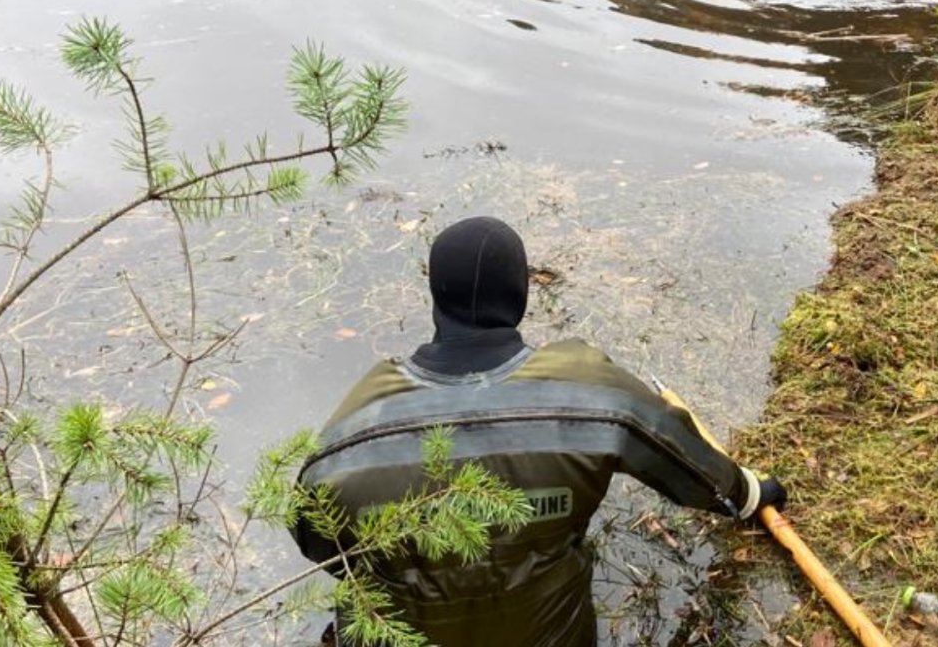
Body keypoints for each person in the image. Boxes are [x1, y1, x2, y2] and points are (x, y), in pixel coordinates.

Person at [292, 216, 787, 647]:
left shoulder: (351, 431)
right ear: (520, 295)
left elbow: (320, 544)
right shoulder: (590, 392)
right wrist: (748, 493)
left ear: (435, 297)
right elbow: (683, 462)